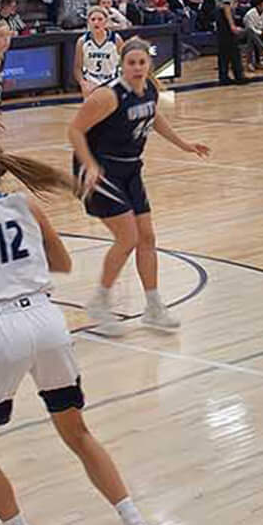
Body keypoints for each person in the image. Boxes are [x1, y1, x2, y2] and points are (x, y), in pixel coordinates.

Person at [0, 134, 161, 525]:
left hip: (0, 330)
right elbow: (62, 262)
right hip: (47, 319)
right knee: (78, 432)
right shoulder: (26, 206)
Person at [70, 37, 208, 334]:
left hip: (130, 168)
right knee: (128, 237)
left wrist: (184, 144)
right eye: (131, 63)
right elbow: (75, 130)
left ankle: (153, 306)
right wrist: (90, 166)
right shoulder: (107, 96)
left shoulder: (149, 91)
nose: (136, 67)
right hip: (100, 170)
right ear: (122, 64)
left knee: (147, 237)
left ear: (149, 64)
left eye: (141, 62)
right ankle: (100, 301)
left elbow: (153, 117)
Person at [76, 5, 122, 90]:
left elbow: (124, 63)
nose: (96, 22)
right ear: (88, 22)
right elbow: (77, 67)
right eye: (93, 19)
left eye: (100, 19)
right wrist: (83, 83)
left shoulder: (116, 39)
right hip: (91, 80)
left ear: (106, 21)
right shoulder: (82, 41)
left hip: (112, 80)